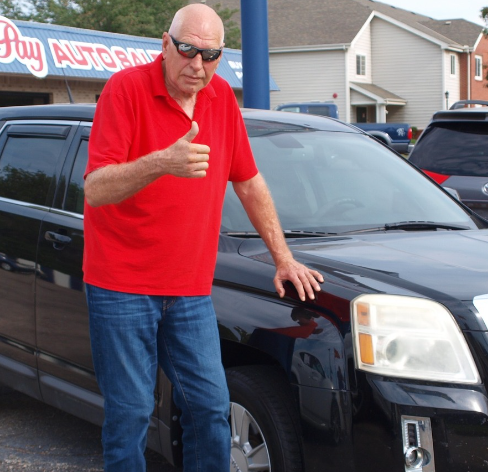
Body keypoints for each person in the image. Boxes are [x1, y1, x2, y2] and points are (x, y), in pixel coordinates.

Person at [82, 4, 324, 471]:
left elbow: (249, 182)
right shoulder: (125, 90)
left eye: (209, 56)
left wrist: (284, 258)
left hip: (189, 289)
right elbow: (96, 188)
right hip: (122, 285)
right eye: (187, 50)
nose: (197, 65)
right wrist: (161, 163)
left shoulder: (222, 102)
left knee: (210, 408)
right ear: (165, 44)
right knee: (130, 414)